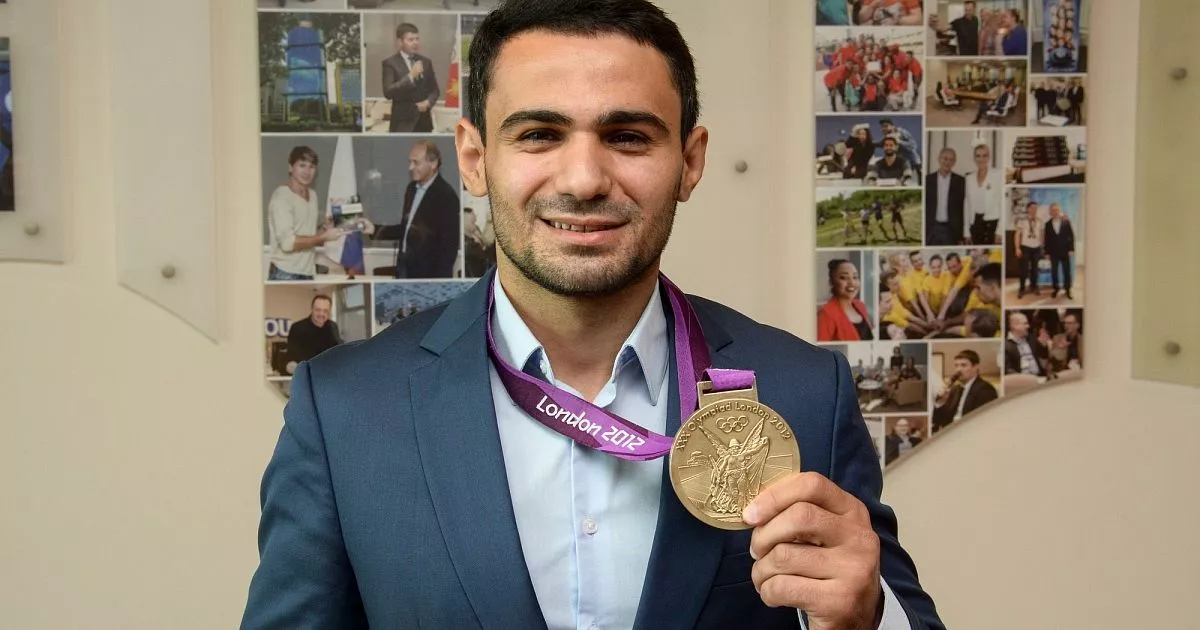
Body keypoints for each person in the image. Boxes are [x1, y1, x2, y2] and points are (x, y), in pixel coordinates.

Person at [241, 1, 942, 628]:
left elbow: (895, 612)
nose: (583, 180)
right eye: (539, 134)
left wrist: (869, 619)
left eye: (628, 136)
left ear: (690, 161)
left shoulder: (807, 392)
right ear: (475, 159)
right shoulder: (345, 410)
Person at [361, 141, 460, 279]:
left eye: (416, 162)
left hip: (428, 277)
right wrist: (374, 229)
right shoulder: (411, 189)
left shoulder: (446, 196)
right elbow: (406, 229)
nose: (410, 167)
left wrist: (438, 284)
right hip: (404, 268)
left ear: (433, 163)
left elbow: (449, 247)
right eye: (409, 162)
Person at [266, 146, 345, 281]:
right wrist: (323, 238)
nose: (307, 172)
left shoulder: (312, 195)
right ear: (290, 168)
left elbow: (308, 237)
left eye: (311, 167)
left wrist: (324, 229)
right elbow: (288, 243)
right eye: (302, 165)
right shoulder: (282, 198)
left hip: (308, 272)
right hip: (284, 273)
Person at [382, 23, 441, 133]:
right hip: (402, 125)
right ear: (400, 42)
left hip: (424, 123)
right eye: (411, 40)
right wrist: (410, 77)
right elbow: (388, 93)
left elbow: (435, 90)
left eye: (417, 39)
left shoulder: (426, 62)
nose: (415, 43)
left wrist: (428, 102)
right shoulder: (390, 63)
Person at [931, 349, 997, 433]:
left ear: (976, 367)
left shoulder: (985, 389)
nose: (958, 369)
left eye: (963, 365)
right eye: (956, 365)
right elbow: (939, 421)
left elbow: (984, 422)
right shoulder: (955, 389)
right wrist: (941, 401)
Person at [818, 259, 875, 342]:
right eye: (844, 278)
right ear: (831, 282)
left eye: (855, 277)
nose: (852, 283)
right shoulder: (826, 314)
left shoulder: (860, 305)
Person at [285, 295, 343, 366]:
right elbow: (291, 358)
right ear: (312, 309)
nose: (321, 314)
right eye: (318, 310)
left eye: (325, 311)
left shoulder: (333, 326)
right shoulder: (297, 328)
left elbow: (337, 349)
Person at [925, 148, 965, 245]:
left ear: (954, 162)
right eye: (945, 158)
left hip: (951, 230)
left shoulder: (960, 181)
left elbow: (962, 209)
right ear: (939, 159)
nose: (947, 162)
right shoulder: (927, 180)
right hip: (931, 228)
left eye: (951, 160)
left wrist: (961, 235)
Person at [963, 143, 1002, 245]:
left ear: (989, 157)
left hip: (992, 223)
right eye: (978, 156)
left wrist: (1000, 231)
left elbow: (1003, 203)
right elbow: (967, 205)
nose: (981, 159)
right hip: (975, 224)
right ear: (974, 158)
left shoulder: (998, 175)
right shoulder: (969, 178)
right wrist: (966, 232)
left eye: (984, 155)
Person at [1043, 202, 1076, 299]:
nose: (1055, 212)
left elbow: (1071, 236)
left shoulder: (1066, 221)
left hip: (1065, 251)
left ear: (1059, 210)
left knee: (1067, 271)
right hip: (1053, 252)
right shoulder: (1047, 224)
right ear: (1050, 212)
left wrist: (1071, 249)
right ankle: (1055, 289)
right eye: (1053, 210)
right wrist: (1047, 252)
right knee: (1054, 272)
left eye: (1057, 210)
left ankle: (1068, 290)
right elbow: (1046, 239)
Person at [1013, 201, 1043, 298]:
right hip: (1025, 247)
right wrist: (1017, 248)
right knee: (1023, 270)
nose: (1034, 210)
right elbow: (1017, 235)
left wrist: (1042, 246)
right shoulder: (1022, 220)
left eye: (1036, 208)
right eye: (1032, 208)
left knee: (1035, 270)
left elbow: (1041, 234)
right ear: (1028, 209)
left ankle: (1034, 286)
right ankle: (1022, 288)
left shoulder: (1039, 221)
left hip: (1036, 247)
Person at [1003, 312, 1047, 377]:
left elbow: (1044, 355)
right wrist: (1023, 378)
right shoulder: (1005, 345)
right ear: (1014, 326)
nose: (1028, 326)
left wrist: (1044, 345)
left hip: (1039, 377)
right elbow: (1007, 369)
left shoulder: (1031, 338)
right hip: (1021, 380)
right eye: (1025, 323)